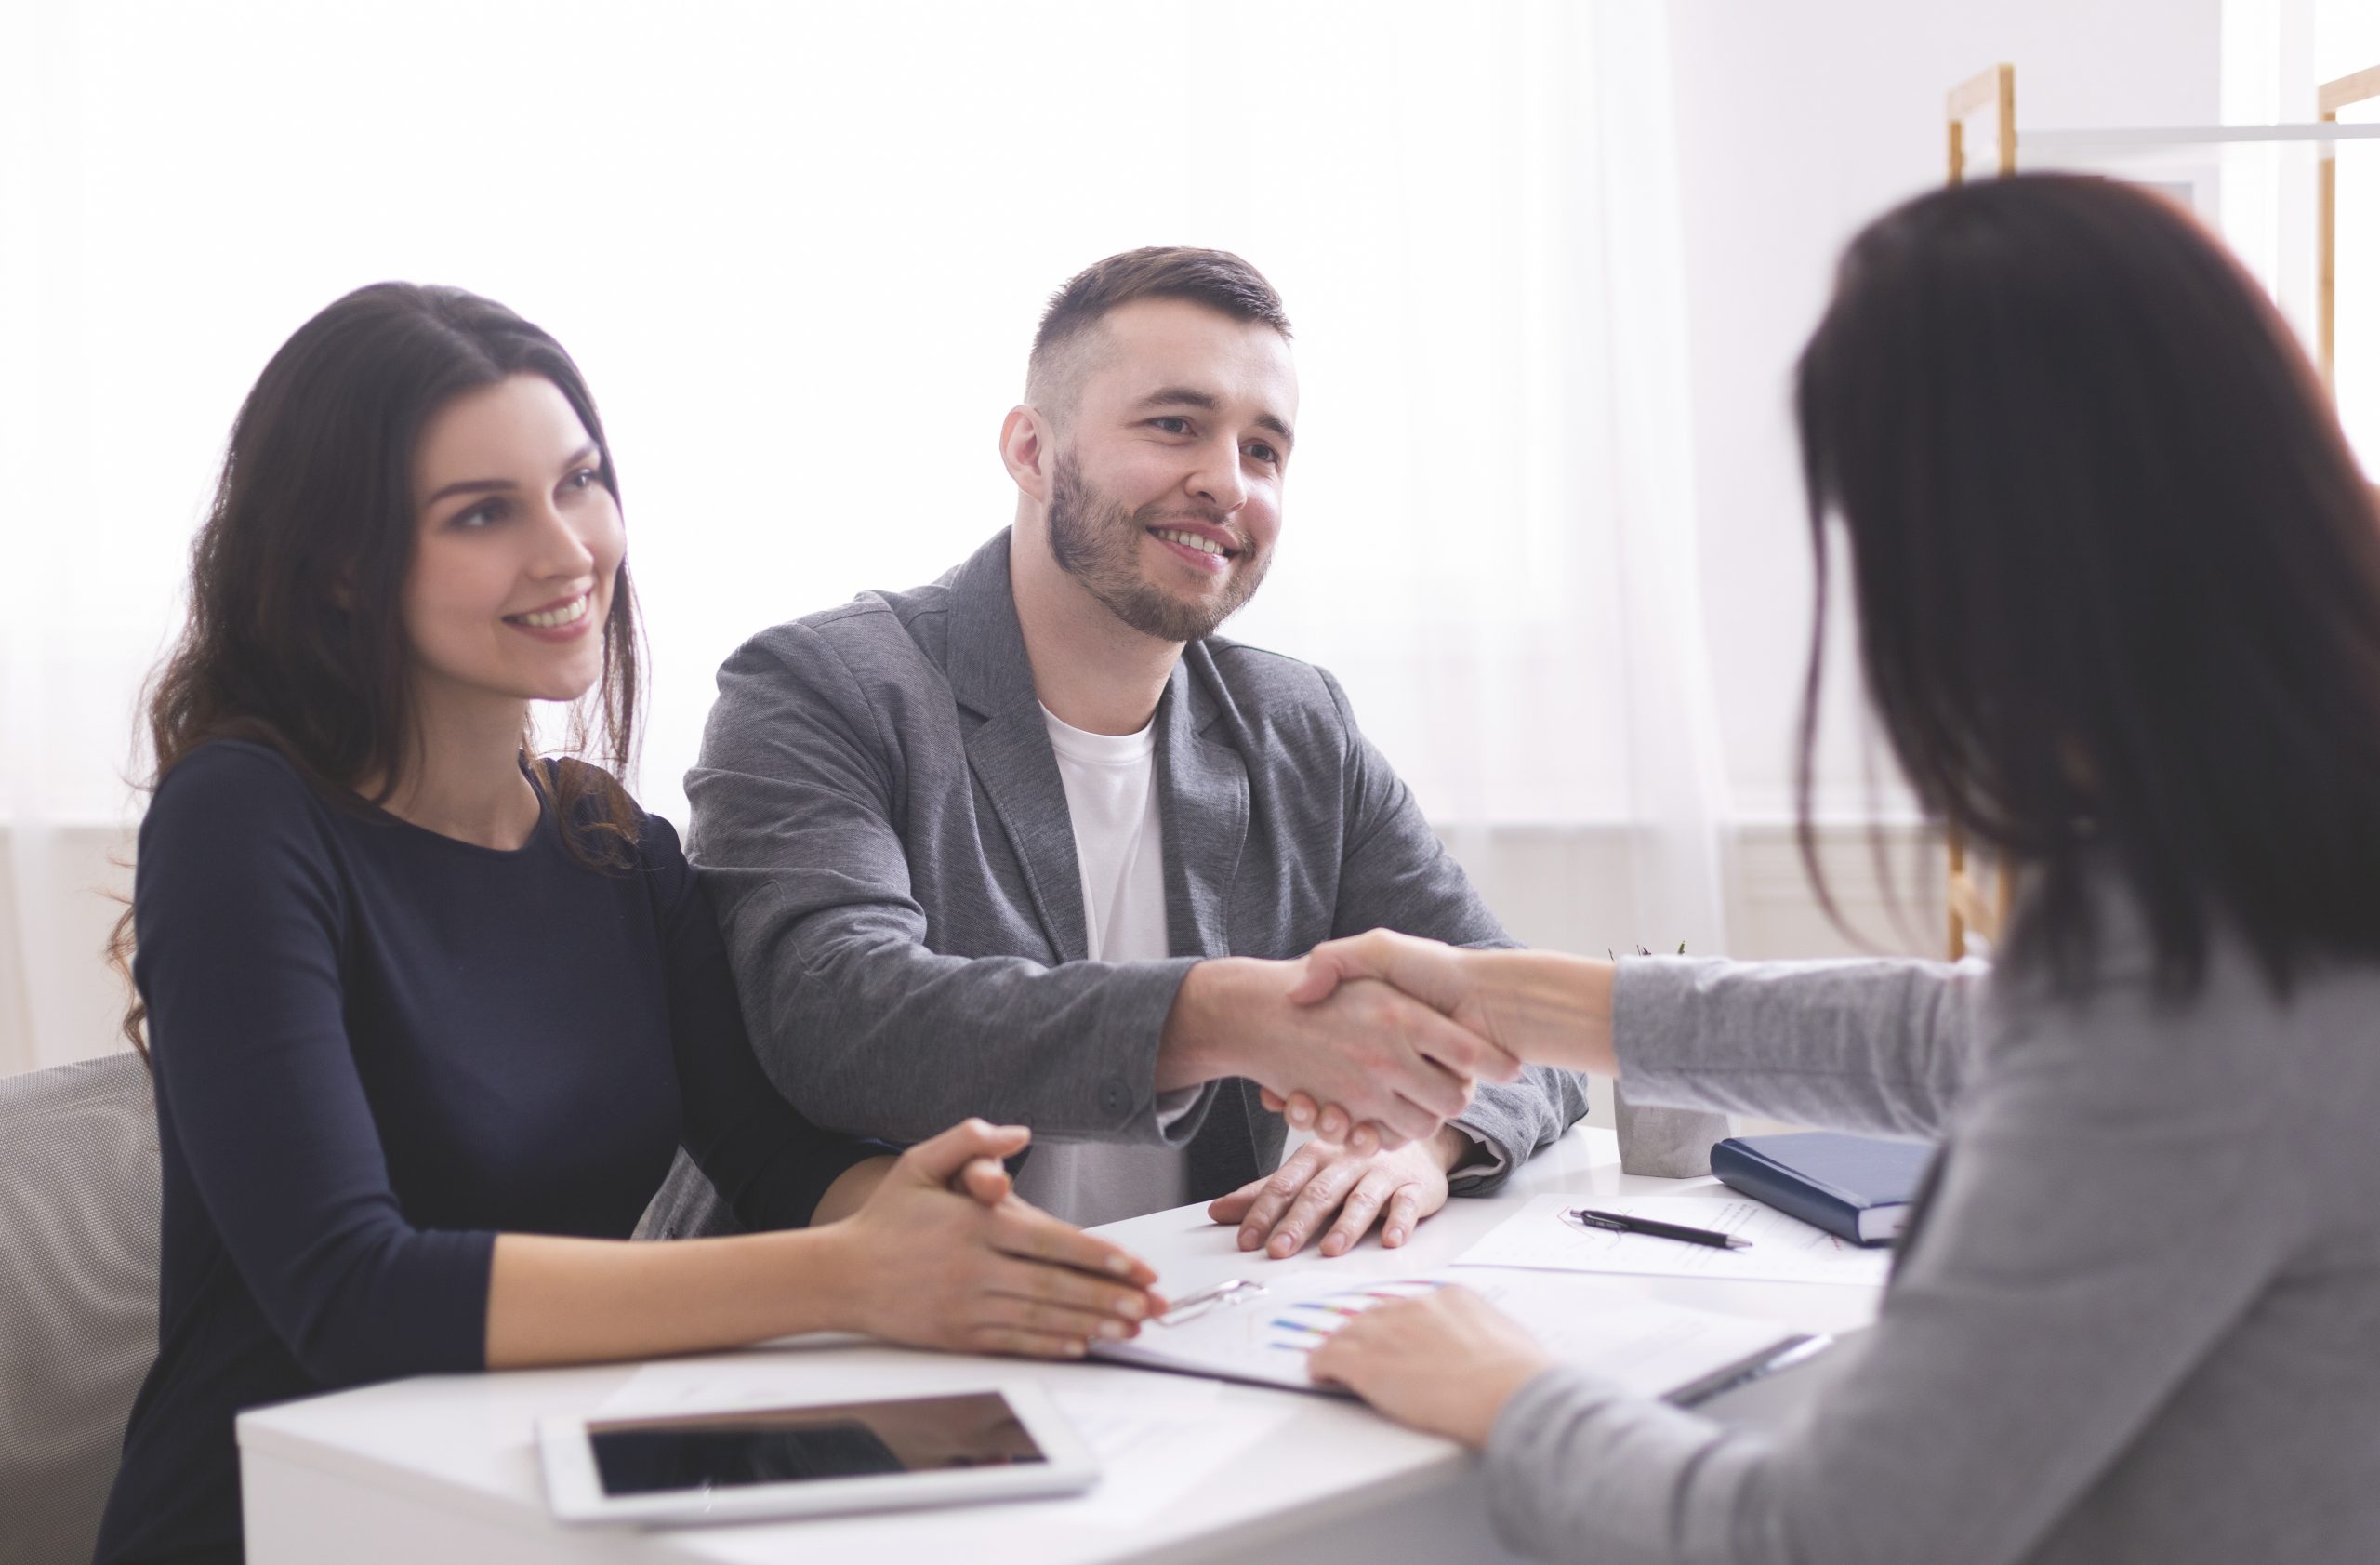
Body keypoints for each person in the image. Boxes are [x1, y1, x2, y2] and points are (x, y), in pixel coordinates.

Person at [1290, 175, 2380, 1563]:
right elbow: (1971, 1032)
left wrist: (1501, 1386)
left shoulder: (2196, 983)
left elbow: (1815, 1538)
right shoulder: (2288, 847)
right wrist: (1504, 997)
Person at [93, 285, 1165, 1565]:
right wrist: (850, 1274)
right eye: (482, 512)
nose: (567, 549)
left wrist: (940, 1228)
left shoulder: (609, 843)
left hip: (545, 1486)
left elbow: (771, 1152)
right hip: (297, 1510)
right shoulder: (242, 818)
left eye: (580, 482)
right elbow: (352, 1288)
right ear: (340, 565)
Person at [644, 247, 1589, 1255]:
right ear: (1030, 450)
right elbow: (835, 1017)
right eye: (1175, 425)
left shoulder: (1296, 724)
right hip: (847, 1359)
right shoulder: (823, 685)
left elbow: (1517, 1008)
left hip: (1185, 1336)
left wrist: (1426, 1141)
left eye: (1264, 450)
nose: (1225, 483)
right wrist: (1220, 1011)